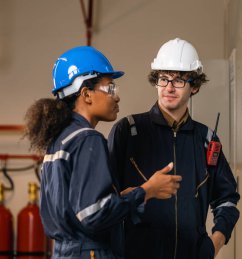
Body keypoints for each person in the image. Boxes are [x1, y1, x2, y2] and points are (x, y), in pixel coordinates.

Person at [24, 46, 182, 259]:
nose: (116, 97)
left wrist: (118, 199)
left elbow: (77, 209)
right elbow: (93, 215)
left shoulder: (59, 140)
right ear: (86, 94)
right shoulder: (87, 139)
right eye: (110, 88)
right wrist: (146, 191)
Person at [108, 38, 240, 259]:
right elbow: (106, 203)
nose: (169, 87)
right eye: (163, 79)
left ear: (194, 86)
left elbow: (227, 199)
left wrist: (214, 244)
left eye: (179, 80)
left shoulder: (206, 139)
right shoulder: (128, 131)